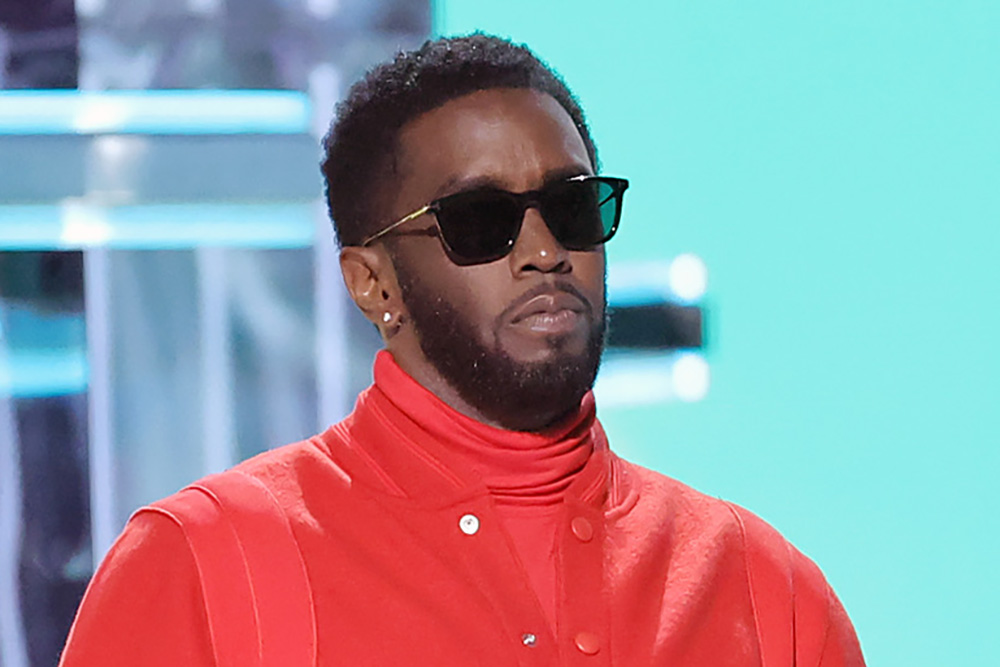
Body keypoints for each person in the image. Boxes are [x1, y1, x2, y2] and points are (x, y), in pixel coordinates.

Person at [59, 34, 865, 665]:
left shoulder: (766, 592)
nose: (544, 250)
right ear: (374, 283)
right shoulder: (202, 567)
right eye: (480, 221)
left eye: (573, 206)